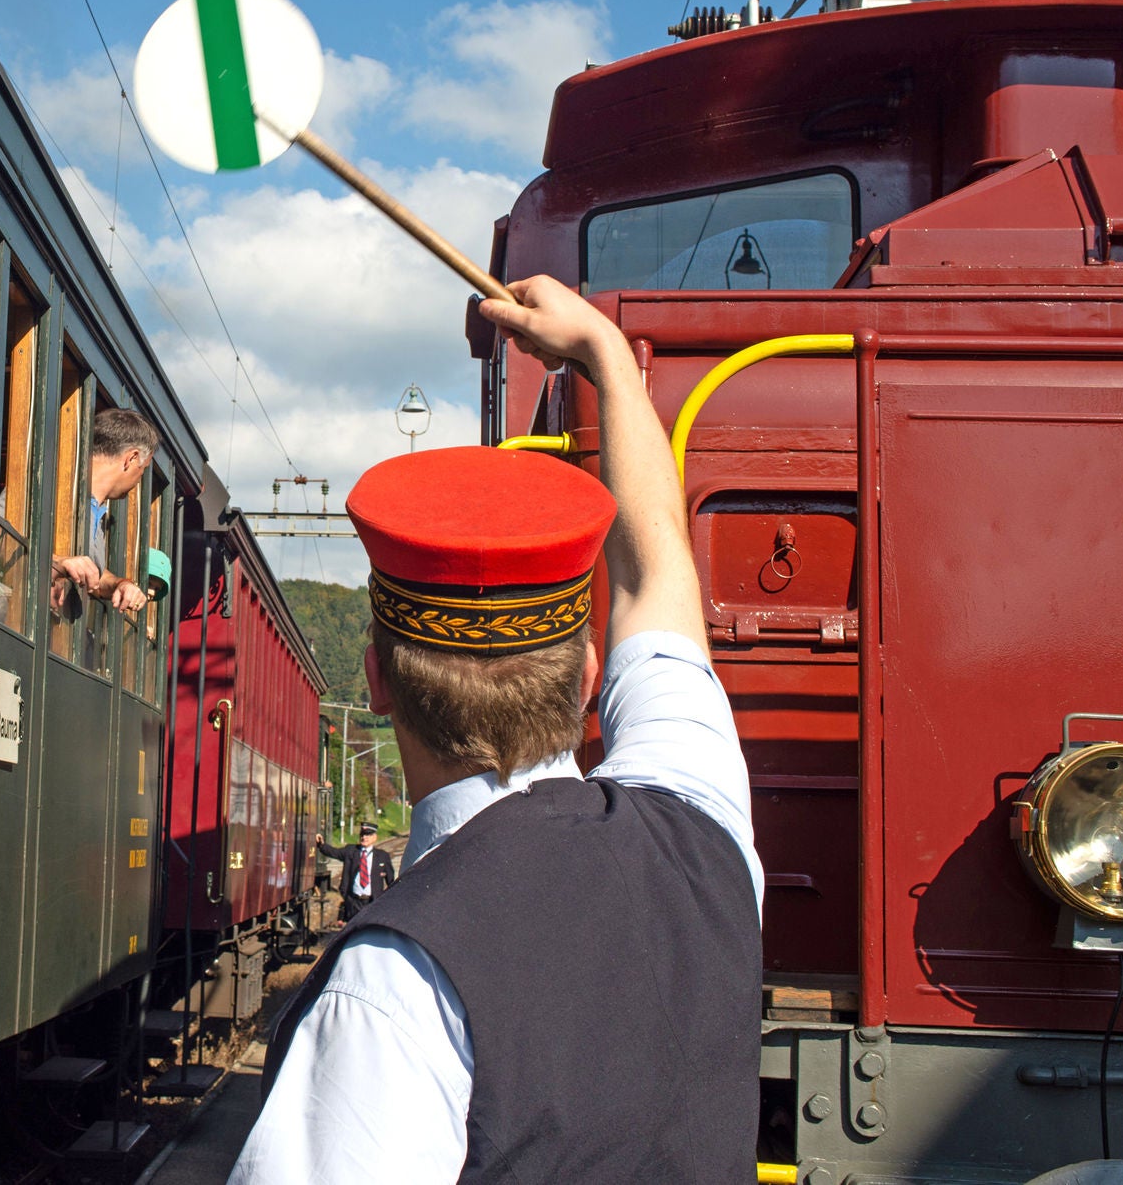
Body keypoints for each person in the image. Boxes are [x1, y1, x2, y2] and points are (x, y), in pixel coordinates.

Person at [231, 274, 763, 1185]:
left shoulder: (396, 984)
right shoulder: (705, 839)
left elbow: (650, 582)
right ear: (590, 678)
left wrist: (604, 359)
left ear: (378, 685)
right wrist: (605, 353)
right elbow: (657, 577)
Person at [51, 406, 158, 616]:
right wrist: (58, 563)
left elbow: (93, 577)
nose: (138, 481)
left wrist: (120, 584)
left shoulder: (97, 512)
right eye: (142, 471)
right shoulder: (52, 484)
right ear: (131, 459)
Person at [312, 822, 394, 924]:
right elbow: (334, 852)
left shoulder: (382, 856)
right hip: (354, 901)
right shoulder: (351, 851)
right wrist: (321, 844)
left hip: (373, 901)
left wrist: (389, 902)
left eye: (368, 835)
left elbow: (391, 881)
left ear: (374, 837)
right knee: (354, 931)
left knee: (369, 929)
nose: (364, 838)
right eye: (362, 835)